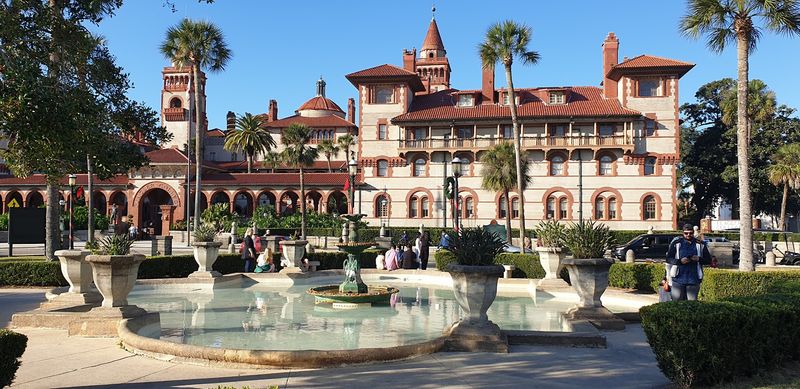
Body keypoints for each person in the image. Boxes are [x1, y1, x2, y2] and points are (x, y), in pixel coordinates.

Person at [666, 223, 712, 301]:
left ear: (693, 233)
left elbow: (708, 260)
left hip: (694, 279)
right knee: (676, 303)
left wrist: (699, 259)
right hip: (678, 278)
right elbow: (668, 259)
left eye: (690, 233)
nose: (688, 235)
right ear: (683, 233)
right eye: (686, 233)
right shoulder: (677, 243)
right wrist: (679, 261)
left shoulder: (700, 244)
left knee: (692, 303)